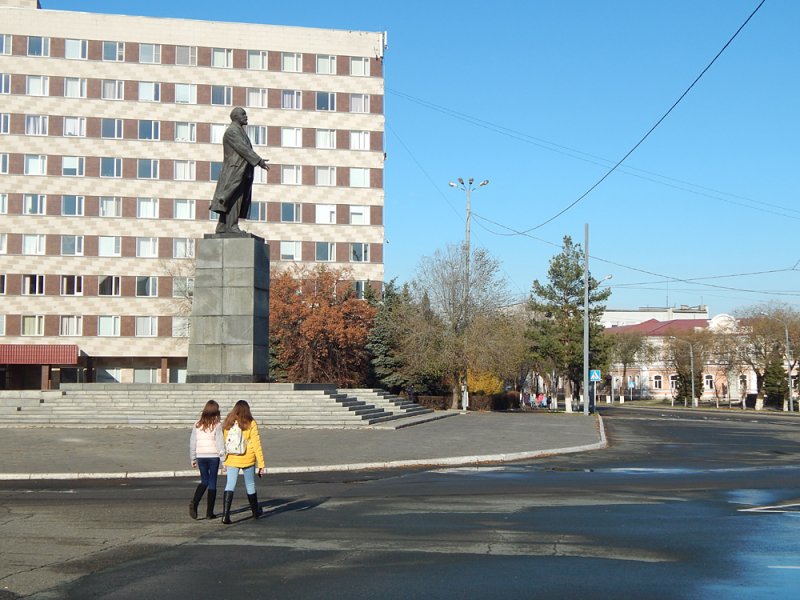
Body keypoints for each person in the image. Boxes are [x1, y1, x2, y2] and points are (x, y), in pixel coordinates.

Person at [209, 107, 269, 235]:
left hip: (241, 170)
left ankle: (222, 226)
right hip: (234, 170)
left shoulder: (239, 131)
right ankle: (231, 226)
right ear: (235, 116)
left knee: (233, 197)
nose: (246, 116)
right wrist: (258, 161)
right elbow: (243, 149)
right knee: (233, 197)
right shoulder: (232, 131)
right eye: (243, 114)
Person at [221, 400, 266, 524]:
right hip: (248, 458)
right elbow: (257, 444)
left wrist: (223, 461)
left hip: (232, 458)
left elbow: (225, 443)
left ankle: (225, 516)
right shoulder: (251, 423)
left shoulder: (229, 422)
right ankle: (255, 512)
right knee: (250, 484)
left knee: (230, 484)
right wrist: (261, 464)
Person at [188, 400, 225, 520]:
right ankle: (210, 513)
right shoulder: (217, 425)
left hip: (201, 456)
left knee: (204, 481)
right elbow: (220, 444)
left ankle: (195, 502)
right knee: (212, 482)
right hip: (213, 456)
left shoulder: (197, 424)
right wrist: (224, 461)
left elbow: (193, 442)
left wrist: (193, 457)